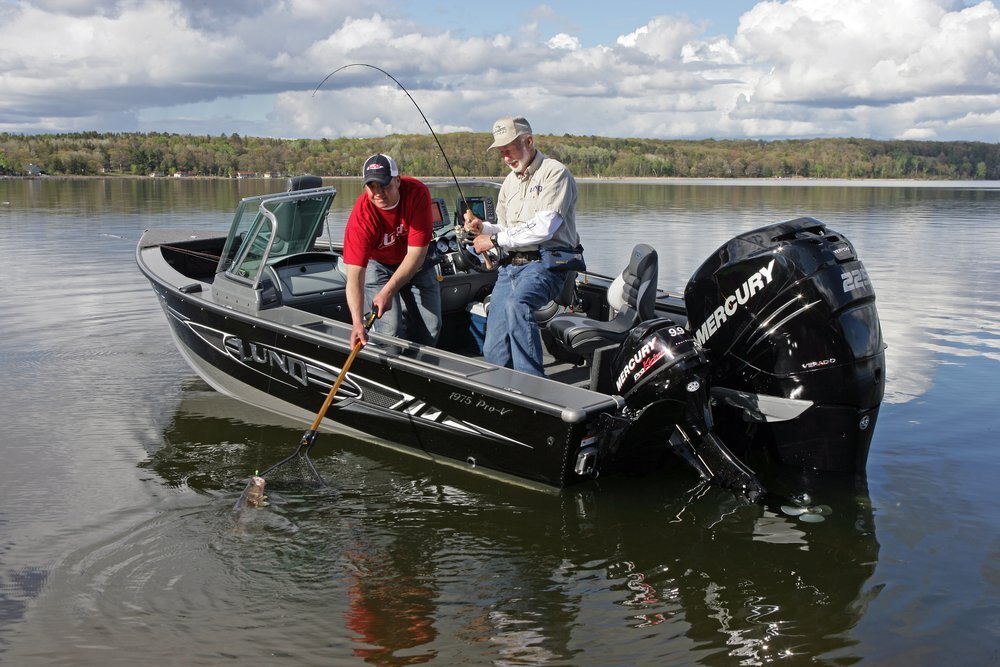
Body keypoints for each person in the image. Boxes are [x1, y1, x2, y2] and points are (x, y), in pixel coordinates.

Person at [463, 116, 582, 376]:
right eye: (501, 151)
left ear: (528, 141)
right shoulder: (509, 182)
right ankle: (500, 393)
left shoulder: (554, 172)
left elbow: (544, 227)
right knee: (493, 347)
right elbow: (507, 230)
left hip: (547, 265)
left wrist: (493, 240)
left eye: (509, 149)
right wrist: (483, 228)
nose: (505, 157)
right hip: (510, 268)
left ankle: (533, 387)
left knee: (518, 304)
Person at [343, 153, 441, 348]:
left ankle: (421, 372)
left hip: (415, 263)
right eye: (372, 186)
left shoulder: (417, 193)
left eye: (384, 185)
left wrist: (388, 291)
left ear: (397, 180)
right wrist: (357, 323)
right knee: (391, 331)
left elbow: (416, 255)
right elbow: (355, 276)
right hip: (378, 264)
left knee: (431, 327)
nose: (378, 192)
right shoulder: (361, 218)